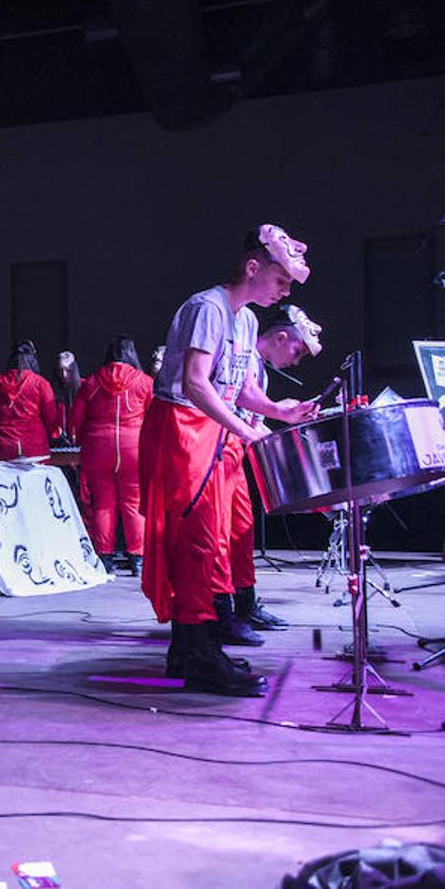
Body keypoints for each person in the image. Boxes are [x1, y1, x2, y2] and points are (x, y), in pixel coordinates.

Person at [139, 224, 318, 696]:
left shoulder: (246, 320)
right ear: (252, 267)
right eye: (281, 281)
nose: (284, 291)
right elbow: (197, 383)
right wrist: (242, 427)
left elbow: (238, 387)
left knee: (212, 541)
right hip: (183, 428)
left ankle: (190, 647)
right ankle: (199, 655)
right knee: (194, 541)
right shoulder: (207, 307)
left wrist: (278, 411)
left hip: (211, 433)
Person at [221, 305, 323, 644]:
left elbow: (252, 418)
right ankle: (220, 614)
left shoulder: (259, 369)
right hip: (219, 448)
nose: (295, 361)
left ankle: (245, 604)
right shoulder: (244, 359)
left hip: (235, 452)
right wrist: (280, 418)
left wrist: (289, 430)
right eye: (296, 351)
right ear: (281, 337)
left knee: (242, 531)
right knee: (221, 535)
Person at [71, 336, 153, 575]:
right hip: (134, 448)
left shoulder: (92, 382)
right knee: (134, 504)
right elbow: (154, 418)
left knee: (103, 505)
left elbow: (76, 421)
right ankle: (137, 559)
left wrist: (82, 441)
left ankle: (104, 558)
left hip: (98, 449)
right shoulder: (144, 382)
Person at [0, 340, 57, 460]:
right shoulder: (41, 384)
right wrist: (55, 435)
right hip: (34, 449)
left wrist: (0, 430)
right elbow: (52, 420)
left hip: (2, 448)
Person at [50, 350, 81, 445]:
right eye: (60, 370)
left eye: (68, 370)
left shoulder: (84, 388)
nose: (64, 375)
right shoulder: (51, 390)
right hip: (57, 444)